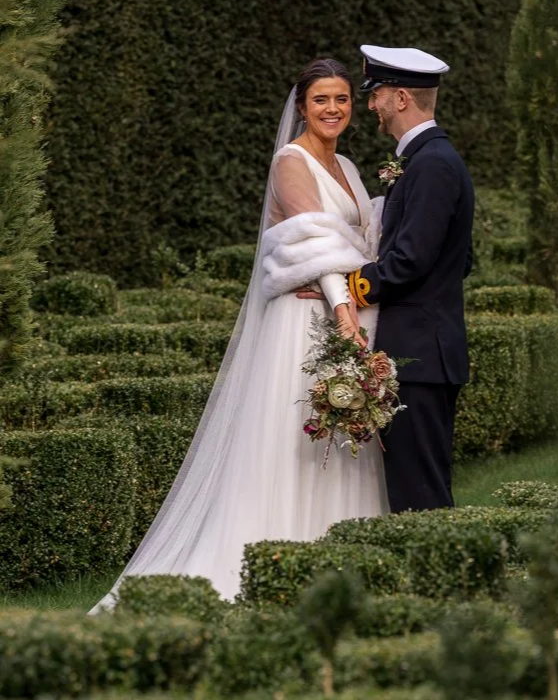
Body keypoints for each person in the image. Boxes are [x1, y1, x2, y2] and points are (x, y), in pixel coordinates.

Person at [91, 58, 389, 611]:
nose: (333, 109)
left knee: (340, 434)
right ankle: (271, 561)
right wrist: (347, 314)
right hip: (306, 322)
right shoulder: (291, 162)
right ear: (301, 106)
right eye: (321, 99)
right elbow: (314, 245)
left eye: (342, 99)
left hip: (343, 312)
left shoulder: (347, 163)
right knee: (293, 435)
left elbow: (354, 243)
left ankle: (340, 560)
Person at [300, 45, 474, 512]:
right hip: (424, 348)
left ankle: (439, 584)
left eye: (375, 94)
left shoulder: (432, 163)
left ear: (400, 98)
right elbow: (462, 258)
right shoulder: (425, 159)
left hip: (422, 354)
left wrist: (345, 285)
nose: (370, 105)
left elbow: (411, 259)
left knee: (420, 495)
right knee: (414, 486)